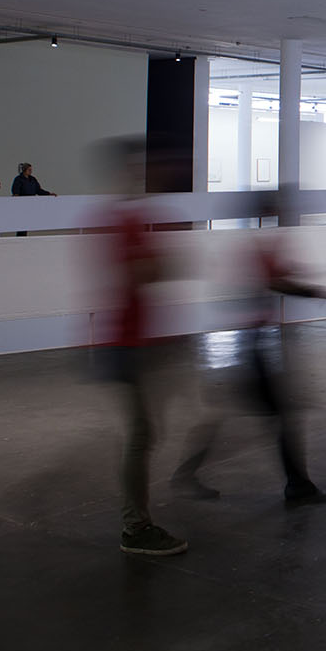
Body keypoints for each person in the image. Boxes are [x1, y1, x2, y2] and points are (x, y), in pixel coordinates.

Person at [172, 192, 326, 506]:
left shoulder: (257, 240)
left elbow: (276, 276)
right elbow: (276, 281)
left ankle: (294, 484)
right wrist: (317, 290)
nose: (286, 209)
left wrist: (306, 282)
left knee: (262, 413)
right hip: (249, 344)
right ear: (269, 209)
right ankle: (296, 486)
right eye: (281, 205)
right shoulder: (258, 242)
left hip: (249, 342)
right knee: (280, 413)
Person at [95, 138, 189, 556]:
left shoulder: (128, 219)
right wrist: (162, 260)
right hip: (126, 344)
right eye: (140, 167)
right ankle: (135, 527)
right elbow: (143, 273)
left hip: (133, 342)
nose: (147, 174)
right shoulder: (127, 222)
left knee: (144, 432)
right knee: (142, 433)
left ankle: (136, 523)